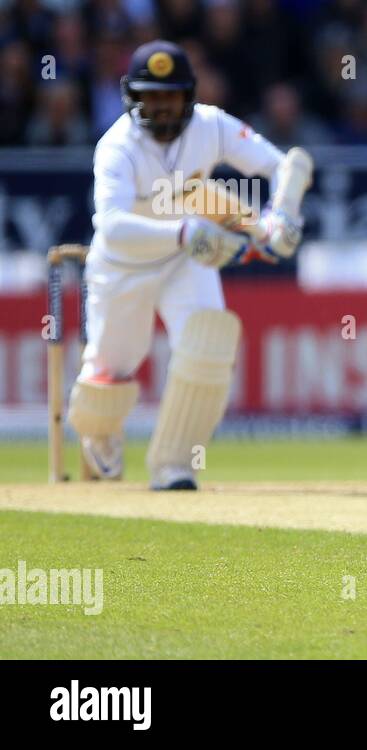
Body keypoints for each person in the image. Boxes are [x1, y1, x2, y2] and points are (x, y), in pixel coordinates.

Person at [71, 40, 312, 490]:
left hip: (186, 260)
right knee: (108, 375)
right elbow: (112, 224)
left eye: (171, 96)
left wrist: (281, 216)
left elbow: (280, 167)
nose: (162, 108)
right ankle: (98, 434)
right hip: (124, 265)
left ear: (189, 95)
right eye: (152, 97)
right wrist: (183, 231)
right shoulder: (116, 147)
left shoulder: (211, 125)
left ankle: (174, 465)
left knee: (209, 345)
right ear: (133, 98)